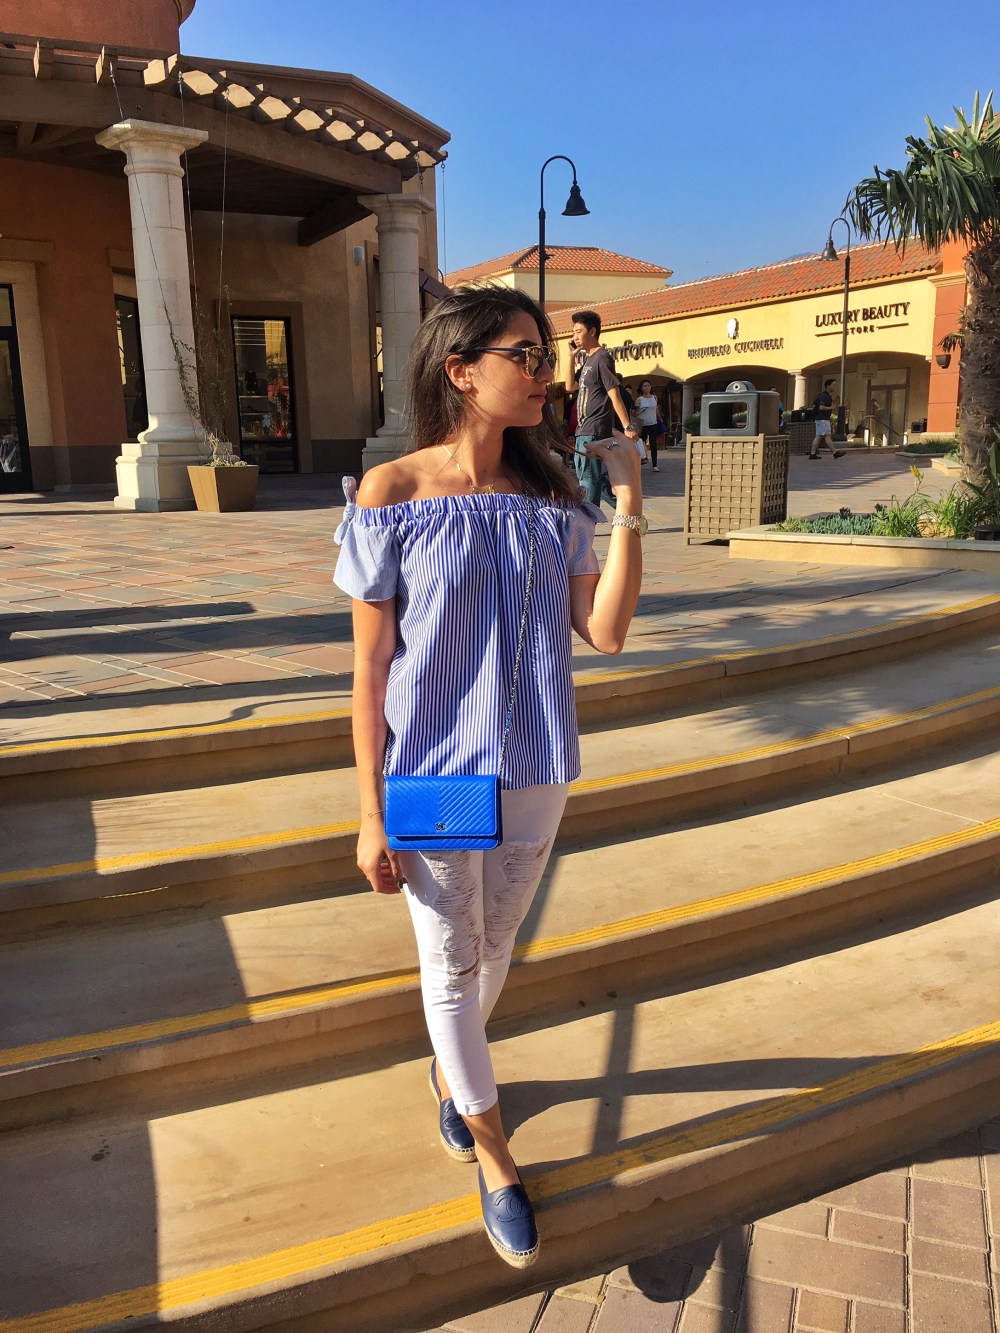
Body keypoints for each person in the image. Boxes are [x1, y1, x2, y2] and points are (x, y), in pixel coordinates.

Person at [334, 285, 643, 1270]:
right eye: (526, 353)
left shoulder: (551, 500)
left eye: (548, 354)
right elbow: (369, 670)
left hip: (537, 764)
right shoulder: (390, 494)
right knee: (452, 964)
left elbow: (605, 632)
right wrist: (368, 812)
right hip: (433, 772)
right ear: (461, 369)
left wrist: (630, 504)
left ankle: (449, 1078)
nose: (546, 371)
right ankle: (496, 1155)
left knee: (496, 943)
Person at [564, 309, 641, 504]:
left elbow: (614, 395)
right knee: (593, 479)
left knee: (588, 481)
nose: (575, 337)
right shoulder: (588, 360)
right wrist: (571, 358)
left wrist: (628, 427)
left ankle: (591, 519)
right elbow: (570, 386)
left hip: (594, 429)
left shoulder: (603, 358)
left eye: (579, 332)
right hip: (584, 429)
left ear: (592, 332)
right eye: (573, 332)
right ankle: (629, 511)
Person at [809, 379, 846, 459]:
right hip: (823, 419)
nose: (834, 387)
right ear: (828, 386)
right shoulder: (824, 396)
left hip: (821, 419)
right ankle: (834, 453)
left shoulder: (827, 395)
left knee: (819, 436)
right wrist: (831, 407)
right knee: (827, 436)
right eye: (833, 385)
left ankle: (812, 453)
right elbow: (821, 407)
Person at [635, 379, 661, 470]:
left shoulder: (654, 397)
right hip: (642, 425)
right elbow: (636, 413)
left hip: (653, 423)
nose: (647, 387)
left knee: (654, 445)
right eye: (644, 386)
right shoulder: (639, 399)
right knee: (641, 444)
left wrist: (659, 418)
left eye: (648, 386)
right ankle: (640, 461)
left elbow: (656, 409)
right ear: (641, 388)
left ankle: (655, 465)